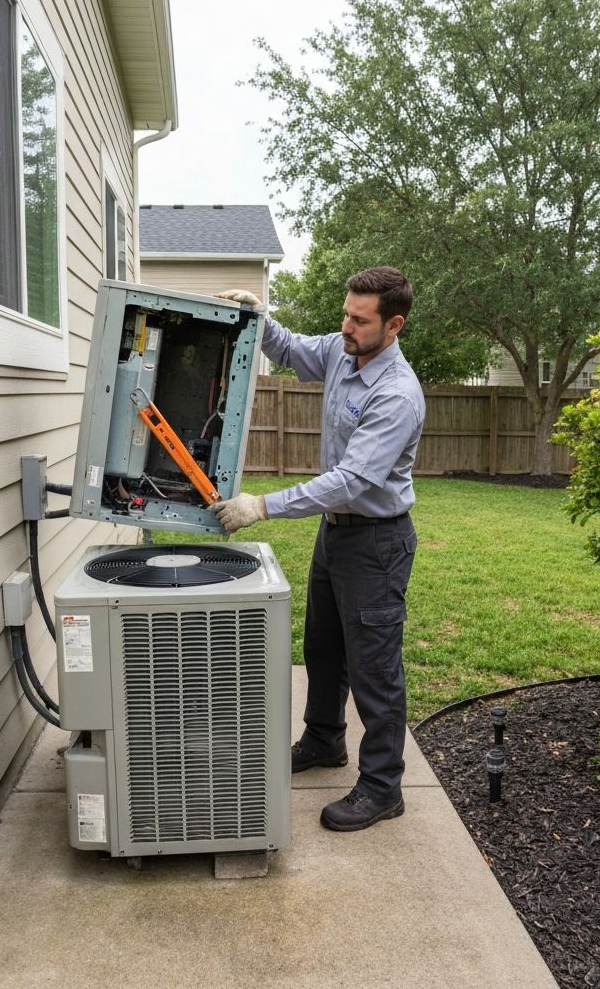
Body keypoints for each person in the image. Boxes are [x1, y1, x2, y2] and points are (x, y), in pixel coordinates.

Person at [212, 267, 426, 832]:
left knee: (374, 668)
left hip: (377, 542)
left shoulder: (397, 393)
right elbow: (289, 348)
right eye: (346, 313)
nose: (347, 326)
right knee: (325, 650)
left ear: (394, 324)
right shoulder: (340, 351)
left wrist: (263, 507)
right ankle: (325, 740)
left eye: (361, 319)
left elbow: (353, 481)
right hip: (336, 535)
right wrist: (258, 318)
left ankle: (383, 787)